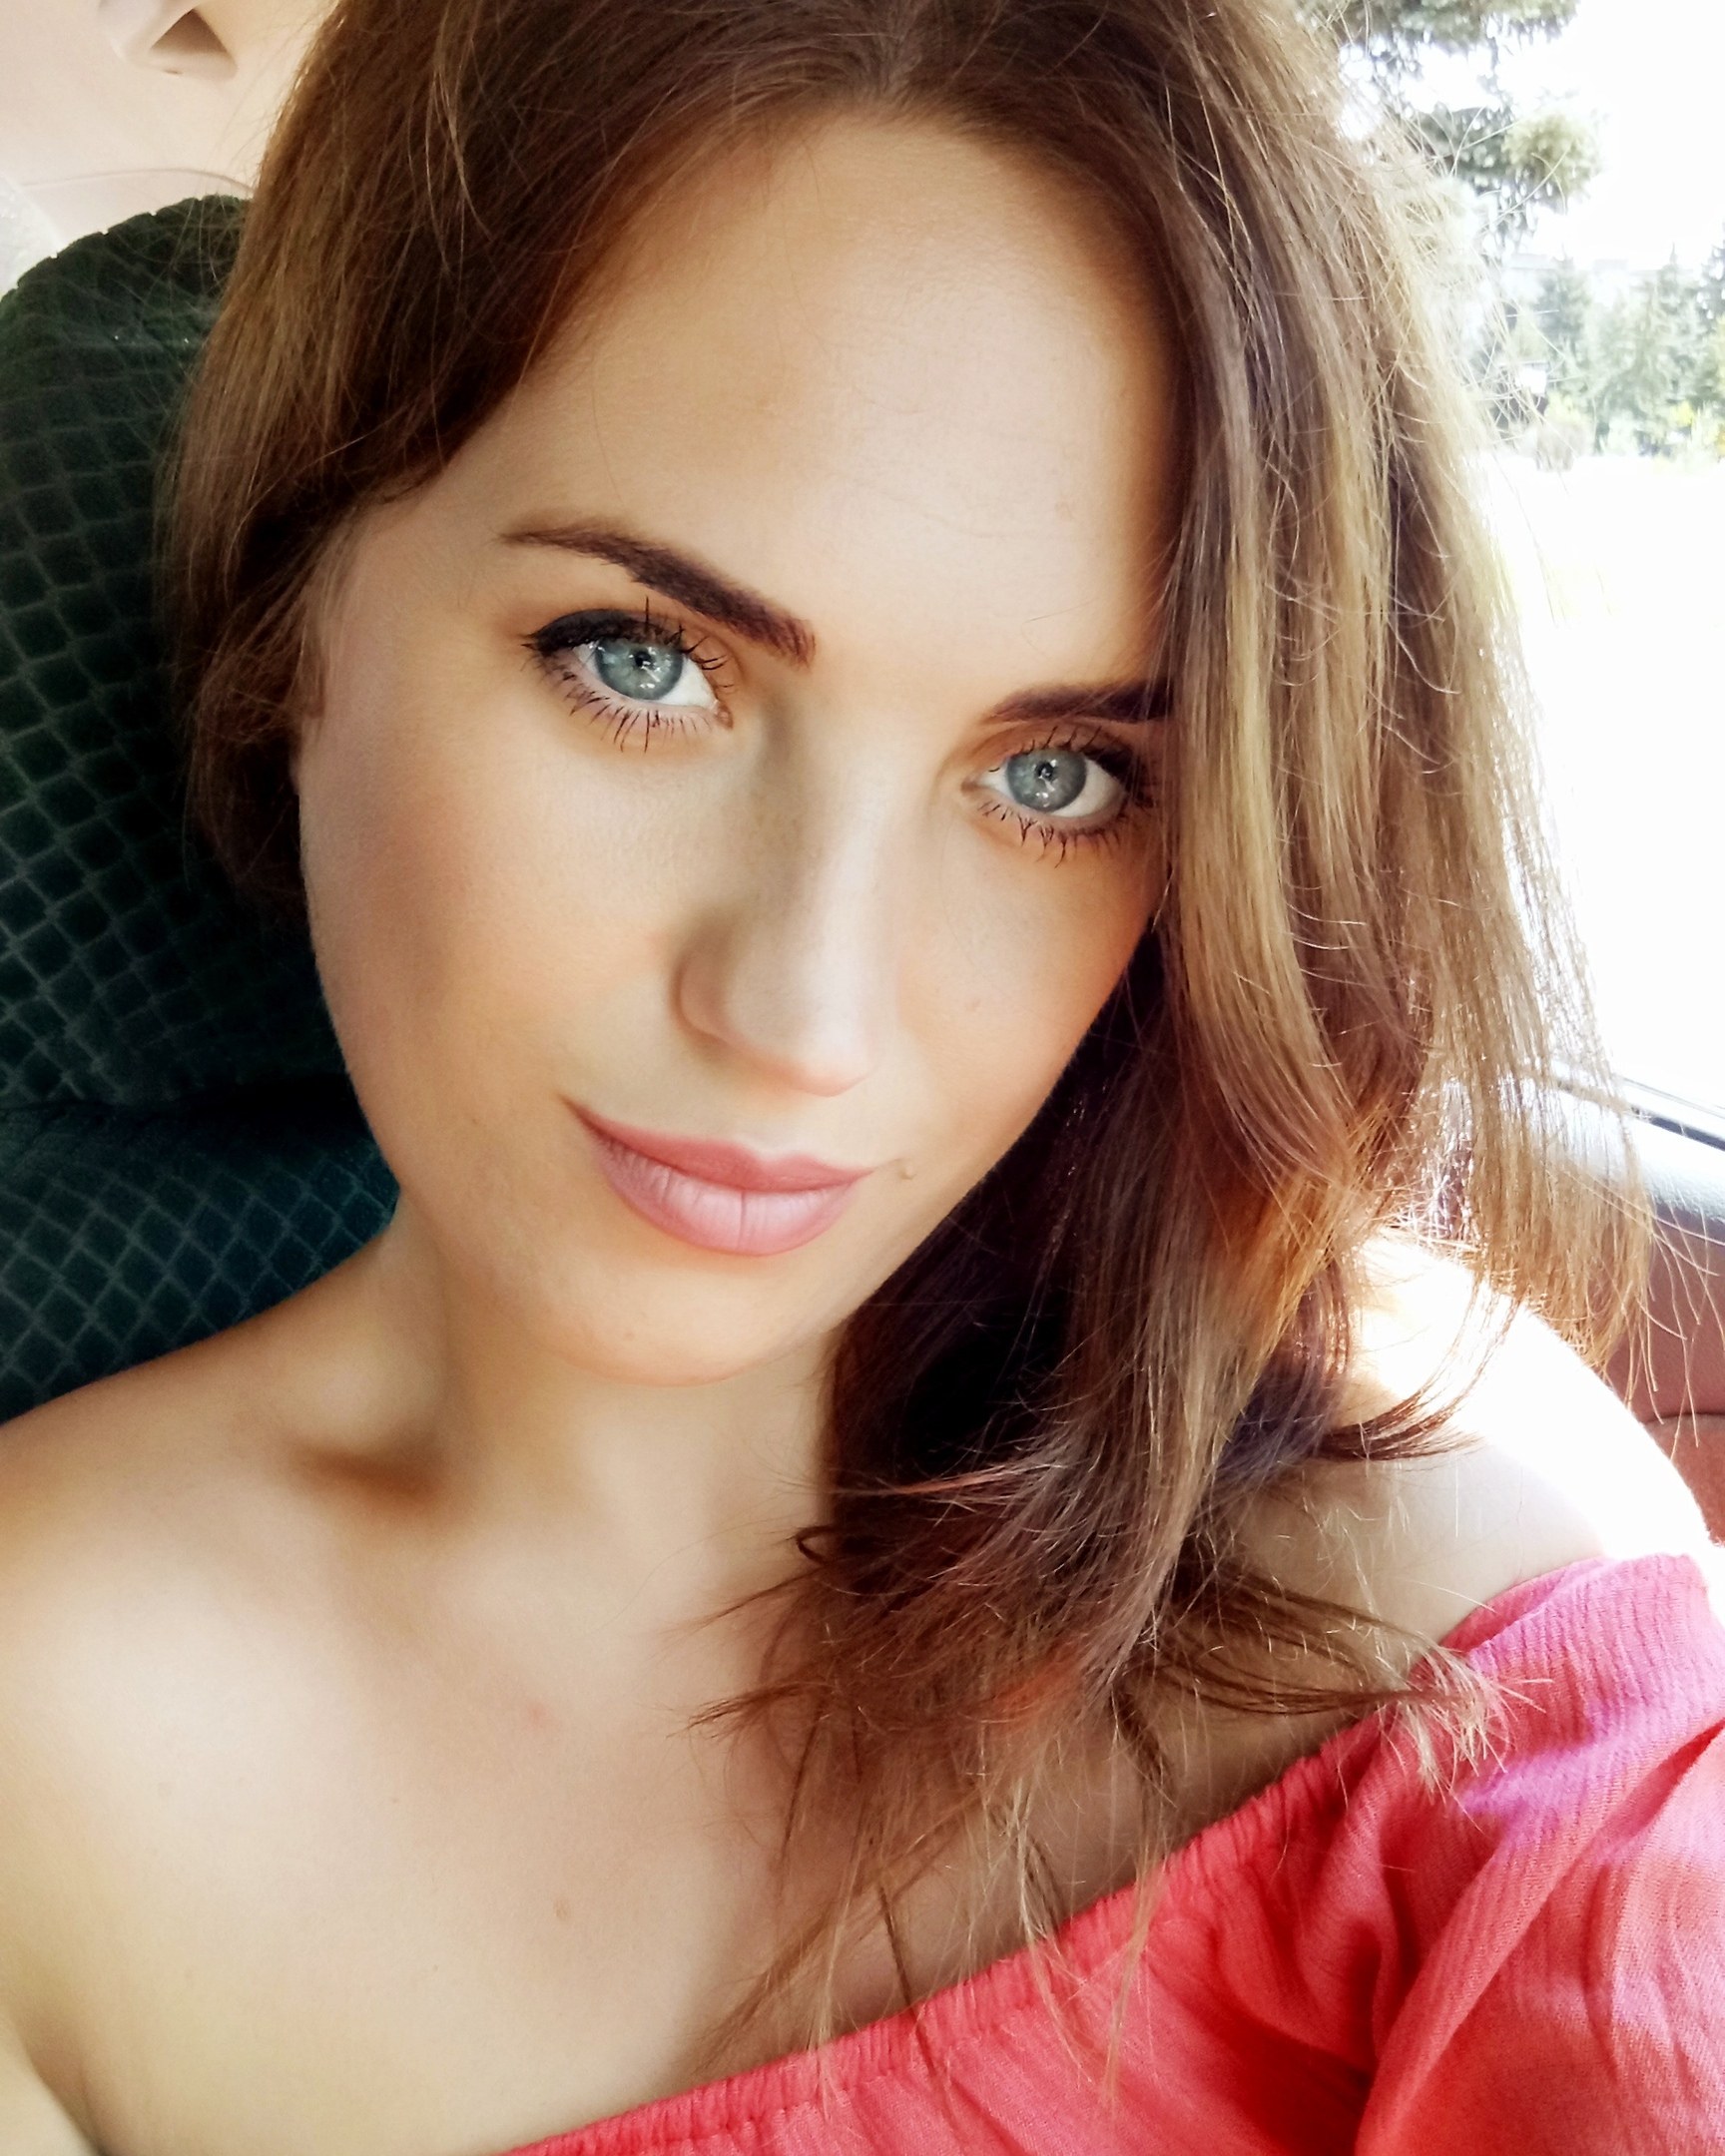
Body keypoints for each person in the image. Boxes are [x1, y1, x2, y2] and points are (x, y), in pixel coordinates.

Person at [0, 0, 1719, 2150]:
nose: (805, 1019)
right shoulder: (41, 1729)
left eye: (1057, 774)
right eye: (641, 662)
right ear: (289, 627)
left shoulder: (1452, 1566)